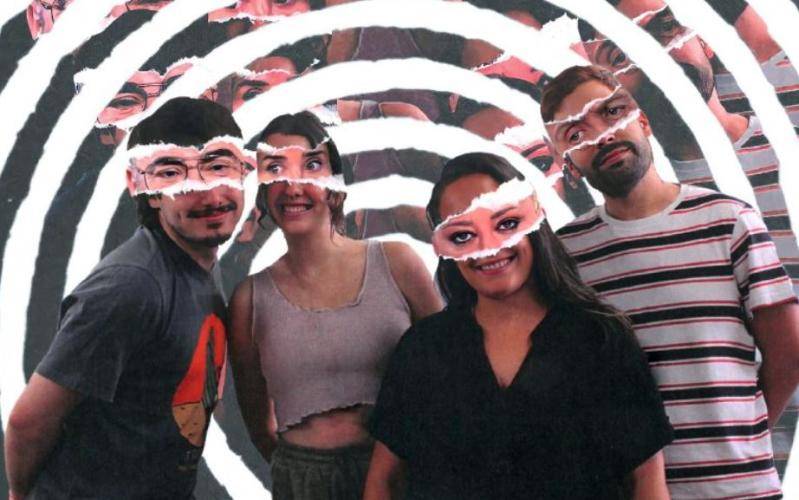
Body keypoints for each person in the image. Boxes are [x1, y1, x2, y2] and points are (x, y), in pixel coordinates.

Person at [544, 64, 799, 498]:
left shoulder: (729, 221)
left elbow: (789, 352)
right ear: (569, 164)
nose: (602, 135)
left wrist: (744, 437)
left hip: (740, 488)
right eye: (576, 133)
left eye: (611, 112)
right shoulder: (565, 253)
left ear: (642, 120)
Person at [364, 151, 673, 500]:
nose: (489, 248)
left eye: (506, 224)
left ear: (534, 220)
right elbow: (383, 482)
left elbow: (647, 482)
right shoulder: (423, 348)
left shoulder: (600, 337)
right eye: (463, 235)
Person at [4, 97, 247, 499]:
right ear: (147, 190)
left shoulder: (198, 259)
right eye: (174, 174)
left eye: (219, 166)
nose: (208, 194)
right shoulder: (130, 287)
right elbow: (28, 422)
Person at [227, 111, 442, 499]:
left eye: (311, 165)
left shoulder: (398, 262)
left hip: (403, 471)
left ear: (335, 184)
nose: (293, 186)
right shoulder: (248, 300)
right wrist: (302, 476)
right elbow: (259, 426)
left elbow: (451, 373)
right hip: (303, 481)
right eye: (275, 168)